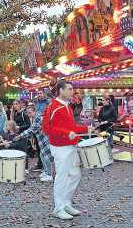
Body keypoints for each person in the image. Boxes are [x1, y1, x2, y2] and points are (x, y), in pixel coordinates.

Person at [43, 80, 94, 220]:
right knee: (62, 177)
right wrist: (66, 133)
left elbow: (71, 127)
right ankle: (58, 209)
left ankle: (65, 203)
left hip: (70, 145)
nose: (73, 91)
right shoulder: (53, 106)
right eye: (70, 89)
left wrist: (86, 129)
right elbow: (47, 128)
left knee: (75, 175)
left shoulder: (68, 107)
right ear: (61, 90)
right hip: (60, 147)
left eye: (72, 89)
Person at [15, 105, 53, 182]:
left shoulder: (38, 117)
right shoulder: (35, 117)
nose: (29, 115)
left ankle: (49, 174)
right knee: (42, 156)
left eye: (30, 113)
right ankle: (46, 172)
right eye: (28, 113)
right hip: (42, 140)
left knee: (46, 157)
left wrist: (20, 136)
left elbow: (32, 129)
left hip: (46, 140)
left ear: (34, 111)